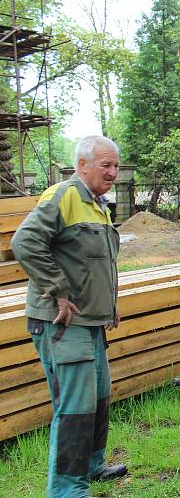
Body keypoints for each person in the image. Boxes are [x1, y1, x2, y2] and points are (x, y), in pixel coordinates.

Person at [12, 135, 127, 498]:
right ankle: (66, 488)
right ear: (82, 165)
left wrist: (110, 304)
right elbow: (24, 242)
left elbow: (96, 263)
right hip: (62, 323)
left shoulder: (98, 205)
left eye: (115, 165)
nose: (112, 172)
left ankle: (92, 464)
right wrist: (58, 289)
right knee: (75, 405)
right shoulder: (63, 196)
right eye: (105, 165)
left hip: (92, 321)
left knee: (99, 396)